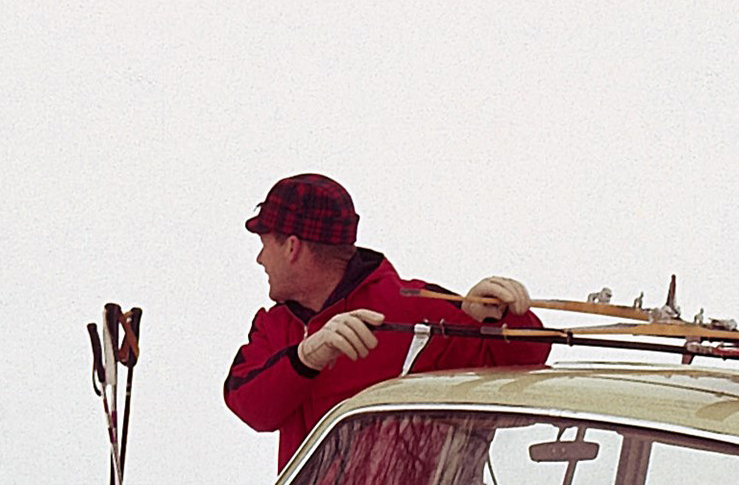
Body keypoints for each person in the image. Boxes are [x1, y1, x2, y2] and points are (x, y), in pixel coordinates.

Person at [224, 173, 554, 469]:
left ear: (292, 247)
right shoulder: (275, 326)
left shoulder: (413, 309)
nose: (259, 259)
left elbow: (524, 366)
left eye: (264, 244)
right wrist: (306, 357)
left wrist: (505, 313)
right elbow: (250, 407)